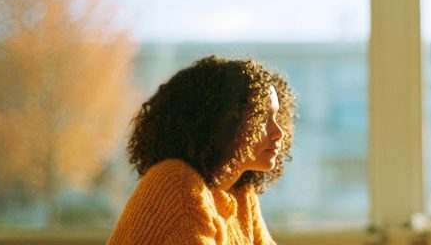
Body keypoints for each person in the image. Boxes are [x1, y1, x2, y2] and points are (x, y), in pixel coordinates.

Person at [108, 55, 294, 245]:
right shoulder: (177, 183)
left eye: (276, 117)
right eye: (262, 118)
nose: (278, 132)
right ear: (221, 121)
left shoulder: (241, 194)